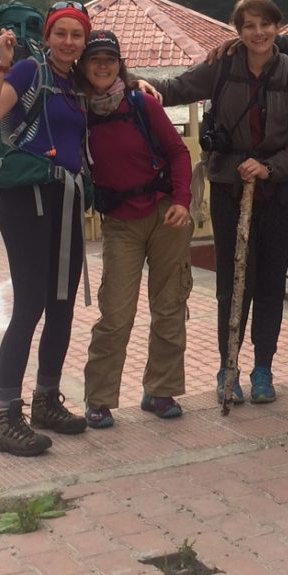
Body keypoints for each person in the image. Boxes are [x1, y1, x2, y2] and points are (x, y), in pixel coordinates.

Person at [154, 0, 288, 404]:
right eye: (248, 25)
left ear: (278, 26)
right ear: (237, 31)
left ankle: (263, 369)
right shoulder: (221, 67)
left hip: (275, 191)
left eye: (265, 24)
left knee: (271, 281)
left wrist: (270, 167)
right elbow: (175, 89)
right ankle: (229, 367)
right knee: (232, 284)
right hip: (227, 188)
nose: (258, 32)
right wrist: (129, 83)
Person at [0, 0, 92, 456]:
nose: (68, 42)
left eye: (76, 35)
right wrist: (2, 68)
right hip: (28, 202)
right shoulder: (27, 71)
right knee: (30, 307)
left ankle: (45, 401)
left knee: (61, 305)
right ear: (47, 37)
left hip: (67, 201)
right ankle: (5, 417)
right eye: (60, 33)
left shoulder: (74, 83)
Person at [76, 31, 196, 428]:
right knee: (116, 312)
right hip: (120, 222)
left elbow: (178, 153)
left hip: (165, 215)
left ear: (120, 64)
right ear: (83, 65)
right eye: (95, 59)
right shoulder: (78, 112)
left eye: (110, 59)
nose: (103, 65)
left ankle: (161, 391)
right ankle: (99, 399)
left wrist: (181, 200)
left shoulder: (140, 103)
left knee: (169, 306)